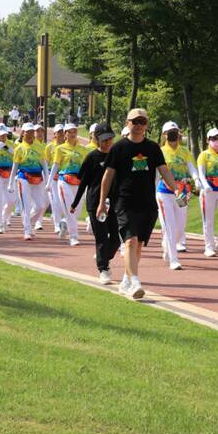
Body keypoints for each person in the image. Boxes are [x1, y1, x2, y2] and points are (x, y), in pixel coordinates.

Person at [97, 108, 181, 300]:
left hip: (147, 203)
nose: (139, 125)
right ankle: (135, 281)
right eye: (135, 122)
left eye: (142, 122)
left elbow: (164, 170)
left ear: (147, 125)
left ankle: (127, 278)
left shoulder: (153, 148)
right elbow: (107, 177)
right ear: (128, 123)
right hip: (124, 202)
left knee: (139, 244)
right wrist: (102, 202)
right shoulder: (118, 148)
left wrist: (175, 188)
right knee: (130, 241)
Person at [70, 123, 117, 283]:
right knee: (102, 238)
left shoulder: (116, 156)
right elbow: (83, 183)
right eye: (104, 140)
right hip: (96, 203)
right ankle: (103, 269)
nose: (107, 142)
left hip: (114, 203)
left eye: (110, 139)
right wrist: (75, 203)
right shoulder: (92, 158)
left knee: (116, 239)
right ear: (96, 140)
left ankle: (103, 256)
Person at [156, 121, 200, 270]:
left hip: (180, 193)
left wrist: (197, 181)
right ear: (164, 135)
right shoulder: (160, 151)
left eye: (175, 131)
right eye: (169, 132)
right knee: (169, 225)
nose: (173, 134)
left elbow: (192, 168)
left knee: (180, 227)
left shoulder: (184, 152)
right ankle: (174, 259)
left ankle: (167, 243)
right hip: (164, 192)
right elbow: (156, 174)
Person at [50, 122, 90, 245]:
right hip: (64, 180)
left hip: (78, 181)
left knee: (77, 209)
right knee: (70, 208)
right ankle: (73, 236)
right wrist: (49, 181)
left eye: (74, 132)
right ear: (65, 134)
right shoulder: (60, 149)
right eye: (70, 132)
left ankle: (64, 223)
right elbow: (56, 165)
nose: (73, 134)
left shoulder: (82, 149)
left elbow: (86, 167)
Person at [8, 122, 49, 240]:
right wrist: (11, 183)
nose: (30, 134)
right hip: (23, 178)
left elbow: (44, 164)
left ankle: (28, 223)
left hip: (37, 178)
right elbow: (15, 167)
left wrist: (47, 180)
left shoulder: (40, 147)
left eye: (32, 132)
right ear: (23, 133)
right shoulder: (19, 148)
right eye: (28, 132)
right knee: (25, 205)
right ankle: (27, 230)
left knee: (41, 206)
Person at [196, 128, 218, 257]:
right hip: (209, 192)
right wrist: (205, 185)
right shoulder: (204, 155)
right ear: (208, 140)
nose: (216, 141)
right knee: (208, 220)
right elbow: (201, 172)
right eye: (213, 138)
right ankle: (209, 246)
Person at [44, 123, 64, 233]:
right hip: (54, 177)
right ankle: (57, 224)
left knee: (63, 202)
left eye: (62, 131)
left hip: (65, 177)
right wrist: (48, 179)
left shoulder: (67, 145)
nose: (61, 134)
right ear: (54, 134)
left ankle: (64, 222)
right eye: (58, 132)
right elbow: (46, 163)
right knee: (55, 202)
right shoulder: (49, 147)